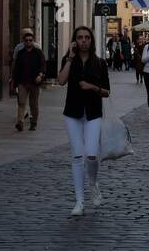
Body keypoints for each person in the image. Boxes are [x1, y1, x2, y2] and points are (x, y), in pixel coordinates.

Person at [57, 25, 111, 216]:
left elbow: (107, 91)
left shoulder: (100, 63)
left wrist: (92, 87)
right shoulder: (69, 60)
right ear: (74, 40)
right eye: (79, 38)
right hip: (72, 113)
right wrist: (70, 59)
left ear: (92, 40)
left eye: (86, 37)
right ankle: (79, 201)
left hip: (93, 113)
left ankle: (94, 184)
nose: (83, 41)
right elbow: (61, 80)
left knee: (91, 155)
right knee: (77, 155)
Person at [11, 28, 46, 132]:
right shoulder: (20, 52)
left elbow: (43, 65)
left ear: (33, 40)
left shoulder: (38, 52)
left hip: (35, 82)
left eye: (30, 40)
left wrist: (40, 75)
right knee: (21, 102)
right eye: (26, 40)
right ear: (23, 41)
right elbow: (16, 67)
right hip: (22, 81)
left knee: (33, 104)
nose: (28, 42)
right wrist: (14, 80)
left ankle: (34, 123)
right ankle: (20, 122)